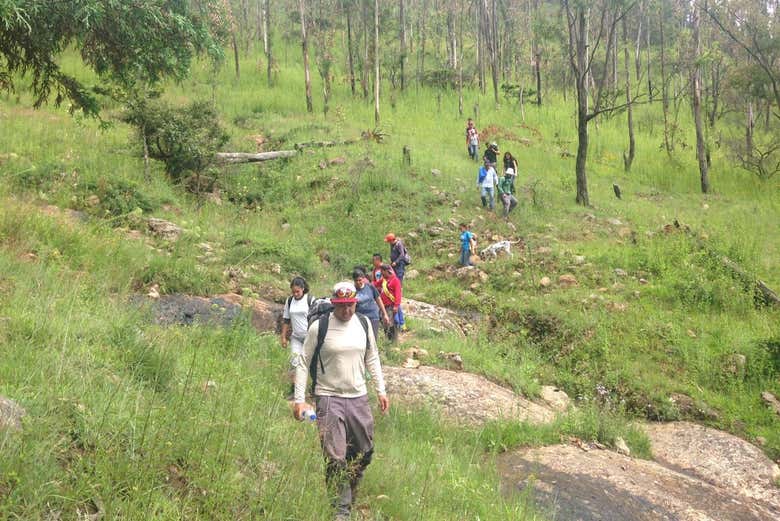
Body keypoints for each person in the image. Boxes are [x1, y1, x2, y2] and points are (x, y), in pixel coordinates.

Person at [293, 281, 389, 521]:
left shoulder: (364, 323)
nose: (347, 310)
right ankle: (341, 511)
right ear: (335, 304)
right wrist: (299, 400)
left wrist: (381, 390)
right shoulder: (320, 327)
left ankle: (349, 491)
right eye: (342, 306)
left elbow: (372, 356)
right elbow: (304, 362)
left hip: (358, 397)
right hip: (328, 397)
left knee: (364, 452)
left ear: (356, 302)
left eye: (351, 305)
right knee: (335, 457)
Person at [281, 277, 314, 399]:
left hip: (310, 338)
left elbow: (316, 319)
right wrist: (283, 336)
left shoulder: (310, 300)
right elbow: (286, 319)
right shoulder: (289, 301)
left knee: (312, 364)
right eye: (293, 292)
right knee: (294, 362)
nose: (295, 294)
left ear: (303, 289)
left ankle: (314, 390)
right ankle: (294, 391)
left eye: (297, 292)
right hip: (296, 337)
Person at [353, 268, 391, 341]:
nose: (358, 282)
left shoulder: (370, 287)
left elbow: (378, 300)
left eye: (360, 280)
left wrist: (385, 314)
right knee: (362, 340)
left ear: (363, 279)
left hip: (373, 317)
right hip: (360, 318)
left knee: (373, 339)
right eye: (356, 280)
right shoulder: (352, 290)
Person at [376, 264, 403, 342]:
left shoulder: (395, 280)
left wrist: (396, 306)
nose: (381, 274)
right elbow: (376, 284)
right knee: (384, 322)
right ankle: (387, 339)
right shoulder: (384, 280)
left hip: (390, 306)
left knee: (390, 323)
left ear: (386, 271)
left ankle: (393, 341)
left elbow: (398, 294)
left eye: (382, 272)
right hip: (383, 306)